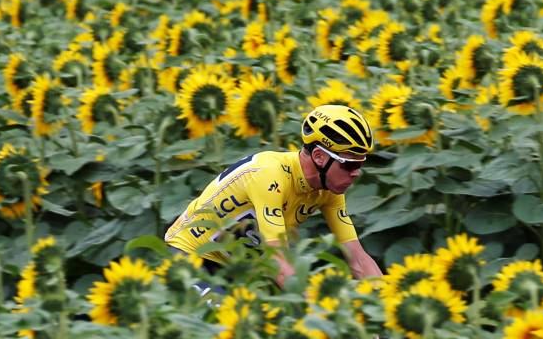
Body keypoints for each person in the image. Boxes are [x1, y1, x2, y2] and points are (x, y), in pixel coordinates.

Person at [164, 104, 383, 296]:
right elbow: (276, 259)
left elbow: (358, 258)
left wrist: (384, 304)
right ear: (319, 157)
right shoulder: (270, 175)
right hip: (189, 256)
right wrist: (315, 309)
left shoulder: (329, 191)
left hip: (234, 269)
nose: (356, 173)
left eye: (360, 164)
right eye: (349, 165)